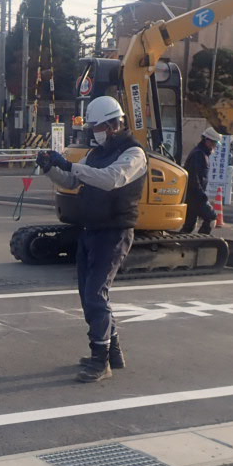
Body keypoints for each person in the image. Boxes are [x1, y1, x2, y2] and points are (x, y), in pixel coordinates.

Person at [36, 96, 148, 383]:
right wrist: (50, 168)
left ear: (112, 125)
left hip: (114, 231)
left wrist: (70, 165)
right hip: (90, 230)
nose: (93, 132)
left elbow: (111, 179)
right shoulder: (95, 153)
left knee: (96, 294)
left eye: (96, 127)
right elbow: (72, 181)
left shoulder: (133, 154)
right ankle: (113, 353)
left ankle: (101, 360)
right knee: (89, 295)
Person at [182, 127, 222, 235]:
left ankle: (181, 242)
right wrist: (201, 195)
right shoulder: (199, 154)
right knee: (211, 217)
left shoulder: (200, 153)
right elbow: (194, 177)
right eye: (214, 143)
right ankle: (201, 241)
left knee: (190, 224)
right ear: (207, 140)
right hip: (195, 195)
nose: (215, 146)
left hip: (193, 194)